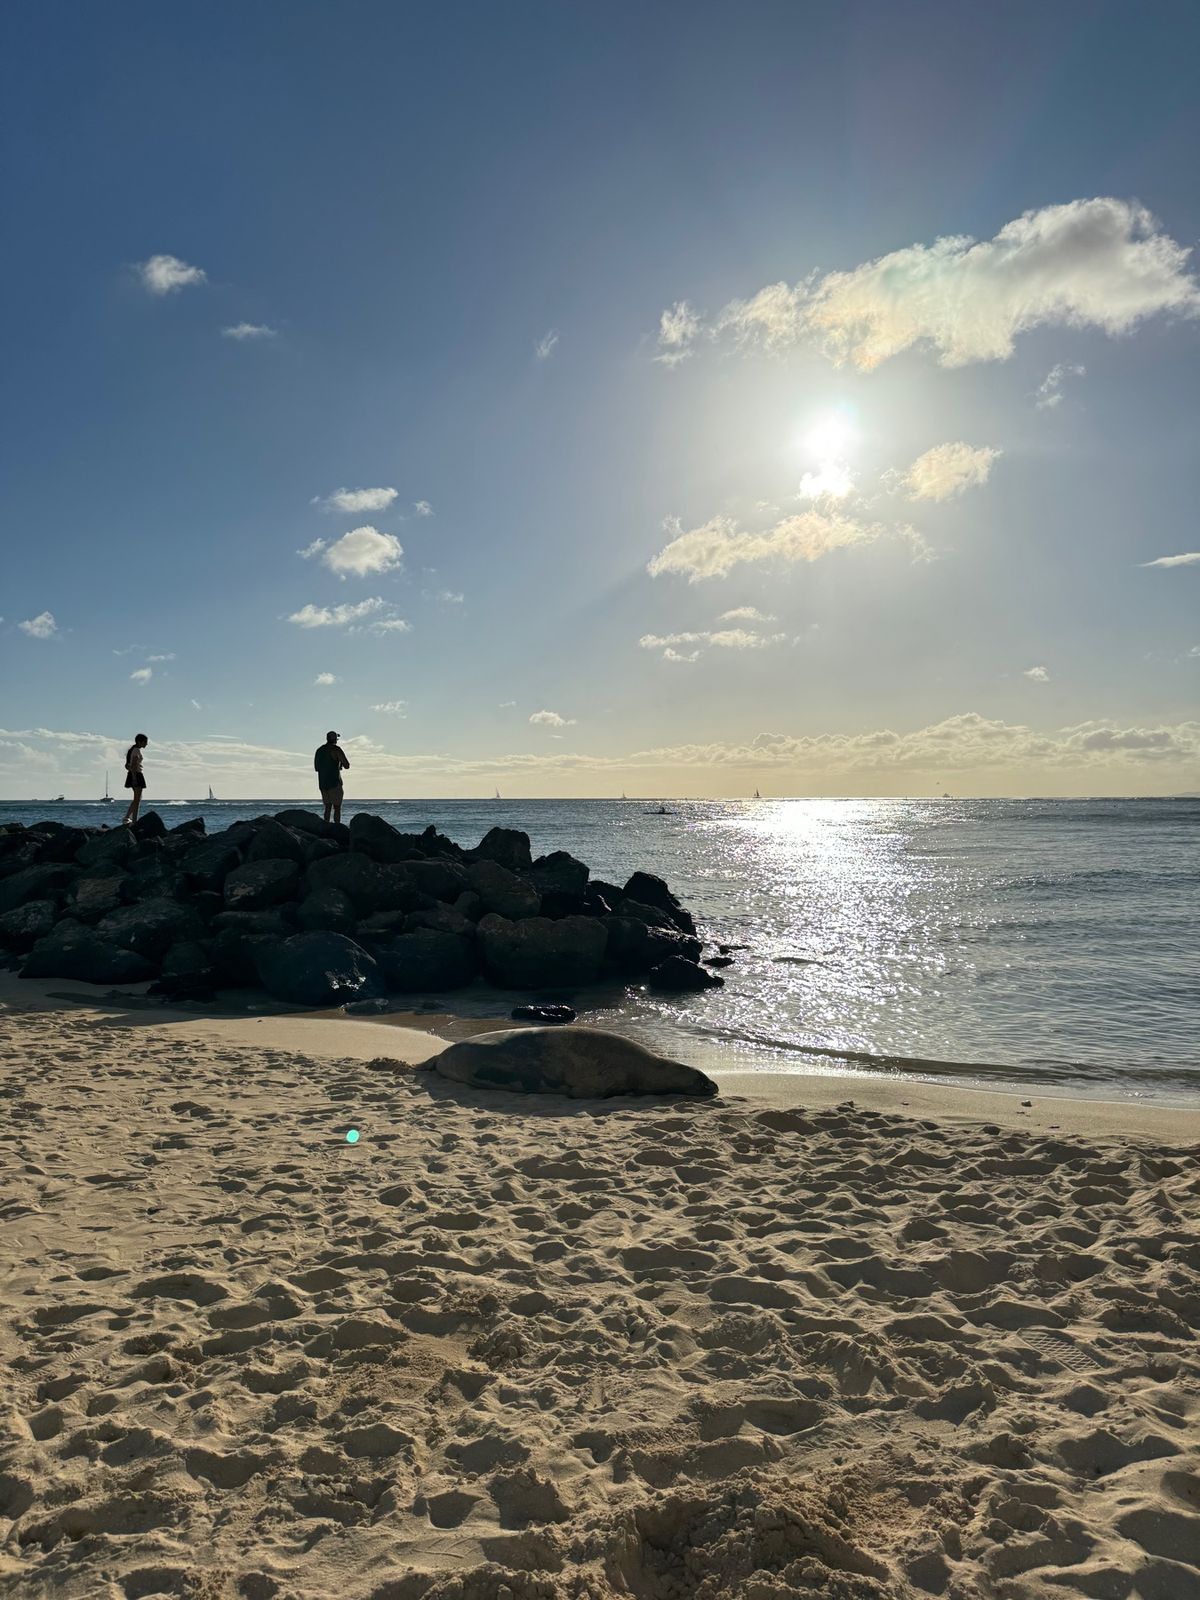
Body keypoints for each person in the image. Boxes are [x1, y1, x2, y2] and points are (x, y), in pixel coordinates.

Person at [314, 730, 350, 823]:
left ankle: (326, 828)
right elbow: (347, 765)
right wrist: (339, 764)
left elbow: (317, 768)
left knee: (327, 808)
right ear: (335, 739)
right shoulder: (336, 749)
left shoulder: (319, 750)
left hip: (323, 783)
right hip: (334, 783)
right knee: (337, 808)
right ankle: (337, 829)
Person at [122, 733, 148, 825]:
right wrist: (134, 778)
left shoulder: (132, 750)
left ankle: (128, 817)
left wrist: (131, 773)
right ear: (139, 742)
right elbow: (133, 765)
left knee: (138, 798)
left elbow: (127, 765)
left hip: (133, 774)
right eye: (145, 742)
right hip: (136, 774)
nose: (146, 744)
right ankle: (134, 820)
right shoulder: (136, 751)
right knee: (137, 800)